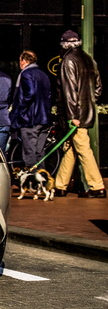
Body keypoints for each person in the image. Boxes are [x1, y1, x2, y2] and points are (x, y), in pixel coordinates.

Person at [53, 30, 105, 198]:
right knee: (70, 148)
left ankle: (97, 186)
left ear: (64, 44)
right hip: (86, 111)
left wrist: (72, 116)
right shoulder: (89, 59)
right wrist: (89, 102)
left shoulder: (68, 60)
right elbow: (98, 88)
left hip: (76, 115)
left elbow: (69, 91)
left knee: (83, 149)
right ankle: (61, 185)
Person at [9, 50, 52, 168]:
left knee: (29, 152)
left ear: (23, 61)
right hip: (43, 118)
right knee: (40, 152)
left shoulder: (26, 74)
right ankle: (41, 180)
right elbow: (48, 96)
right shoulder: (43, 74)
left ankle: (32, 180)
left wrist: (21, 111)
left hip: (30, 119)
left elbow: (29, 93)